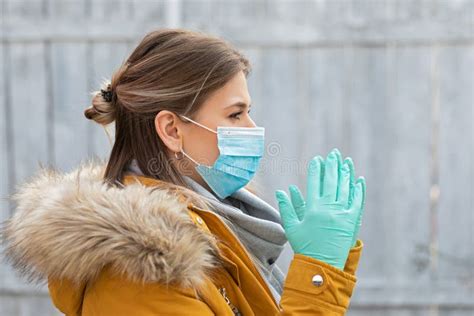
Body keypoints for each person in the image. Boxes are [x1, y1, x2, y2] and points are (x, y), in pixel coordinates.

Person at [1, 28, 366, 315]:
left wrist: (329, 262)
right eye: (235, 114)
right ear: (172, 130)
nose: (253, 128)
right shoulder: (139, 268)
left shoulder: (210, 224)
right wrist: (316, 276)